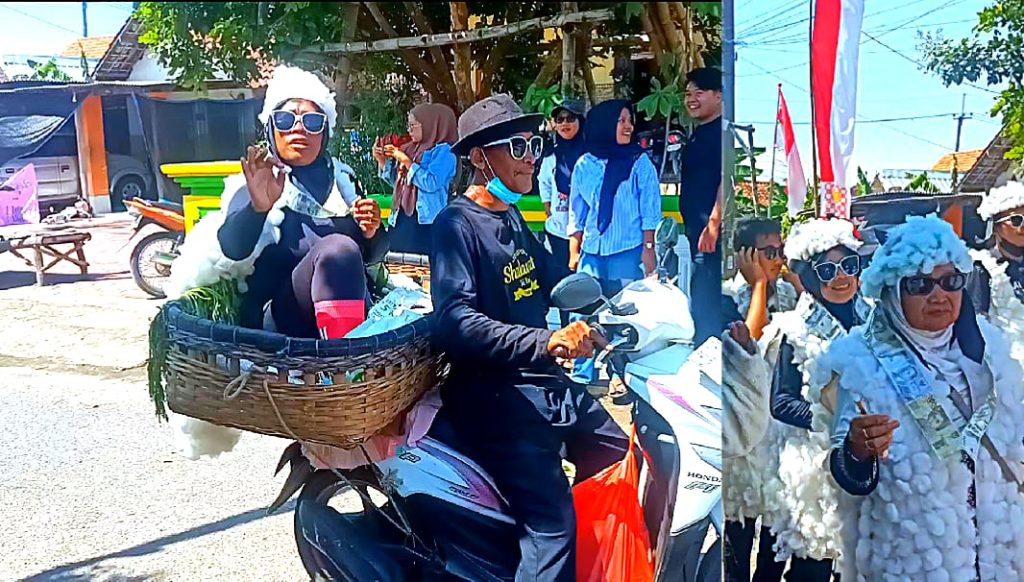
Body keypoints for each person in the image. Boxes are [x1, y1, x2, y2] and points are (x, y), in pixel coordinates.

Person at [429, 94, 630, 581]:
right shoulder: (456, 224)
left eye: (534, 146)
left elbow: (555, 275)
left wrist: (619, 306)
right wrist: (548, 342)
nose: (532, 158)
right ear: (481, 157)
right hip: (494, 397)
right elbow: (455, 320)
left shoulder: (513, 217)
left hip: (541, 384)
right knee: (552, 527)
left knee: (617, 452)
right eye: (518, 147)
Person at [821, 214, 1024, 581]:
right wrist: (858, 451)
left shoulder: (991, 349)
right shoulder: (859, 362)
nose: (938, 295)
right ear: (893, 292)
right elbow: (846, 477)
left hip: (999, 551)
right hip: (915, 559)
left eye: (950, 281)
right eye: (919, 285)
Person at [169, 65, 385, 339]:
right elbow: (232, 249)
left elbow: (371, 258)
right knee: (338, 250)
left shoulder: (344, 181)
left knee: (344, 250)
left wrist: (373, 232)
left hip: (351, 314)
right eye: (285, 119)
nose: (299, 128)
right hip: (280, 324)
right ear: (271, 128)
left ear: (325, 132)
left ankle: (347, 349)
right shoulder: (259, 180)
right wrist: (257, 209)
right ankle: (345, 359)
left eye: (312, 121)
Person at [755, 219, 869, 581]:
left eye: (848, 265)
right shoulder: (793, 329)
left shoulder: (876, 322)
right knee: (811, 564)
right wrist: (833, 419)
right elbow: (781, 402)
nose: (841, 277)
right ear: (809, 277)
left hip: (864, 458)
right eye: (827, 271)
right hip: (812, 465)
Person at [723, 216, 798, 582]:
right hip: (745, 428)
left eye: (781, 251)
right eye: (769, 252)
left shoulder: (787, 293)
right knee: (738, 528)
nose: (778, 260)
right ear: (746, 255)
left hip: (779, 429)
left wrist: (797, 281)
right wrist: (757, 286)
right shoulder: (727, 296)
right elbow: (747, 347)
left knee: (775, 528)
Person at [567, 99, 661, 385]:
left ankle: (622, 375)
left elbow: (650, 210)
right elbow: (577, 210)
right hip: (591, 252)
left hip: (627, 251)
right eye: (621, 121)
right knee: (584, 312)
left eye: (629, 120)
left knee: (624, 314)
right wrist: (574, 249)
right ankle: (582, 374)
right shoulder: (585, 164)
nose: (628, 126)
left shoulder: (639, 163)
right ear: (604, 125)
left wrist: (648, 250)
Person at [373, 103, 459, 255]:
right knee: (397, 263)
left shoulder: (445, 152)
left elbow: (431, 183)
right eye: (409, 125)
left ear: (430, 124)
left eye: (413, 125)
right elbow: (400, 184)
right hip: (400, 219)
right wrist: (382, 162)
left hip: (426, 223)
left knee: (423, 265)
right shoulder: (409, 149)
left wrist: (406, 161)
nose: (409, 130)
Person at [681, 67, 724, 346]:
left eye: (699, 92)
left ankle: (710, 355)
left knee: (707, 302)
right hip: (697, 233)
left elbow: (727, 179)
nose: (691, 99)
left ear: (719, 95)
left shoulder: (721, 133)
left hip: (712, 237)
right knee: (700, 299)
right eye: (688, 94)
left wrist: (713, 224)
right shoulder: (698, 133)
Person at [538, 98, 587, 327]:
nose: (565, 123)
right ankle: (567, 329)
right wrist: (551, 211)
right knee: (564, 283)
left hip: (586, 233)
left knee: (585, 284)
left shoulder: (591, 155)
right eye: (560, 119)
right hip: (558, 232)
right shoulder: (551, 156)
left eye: (570, 118)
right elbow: (544, 184)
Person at [969, 181, 1024, 360]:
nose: (1023, 226)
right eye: (1016, 220)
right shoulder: (982, 267)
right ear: (996, 227)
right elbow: (977, 324)